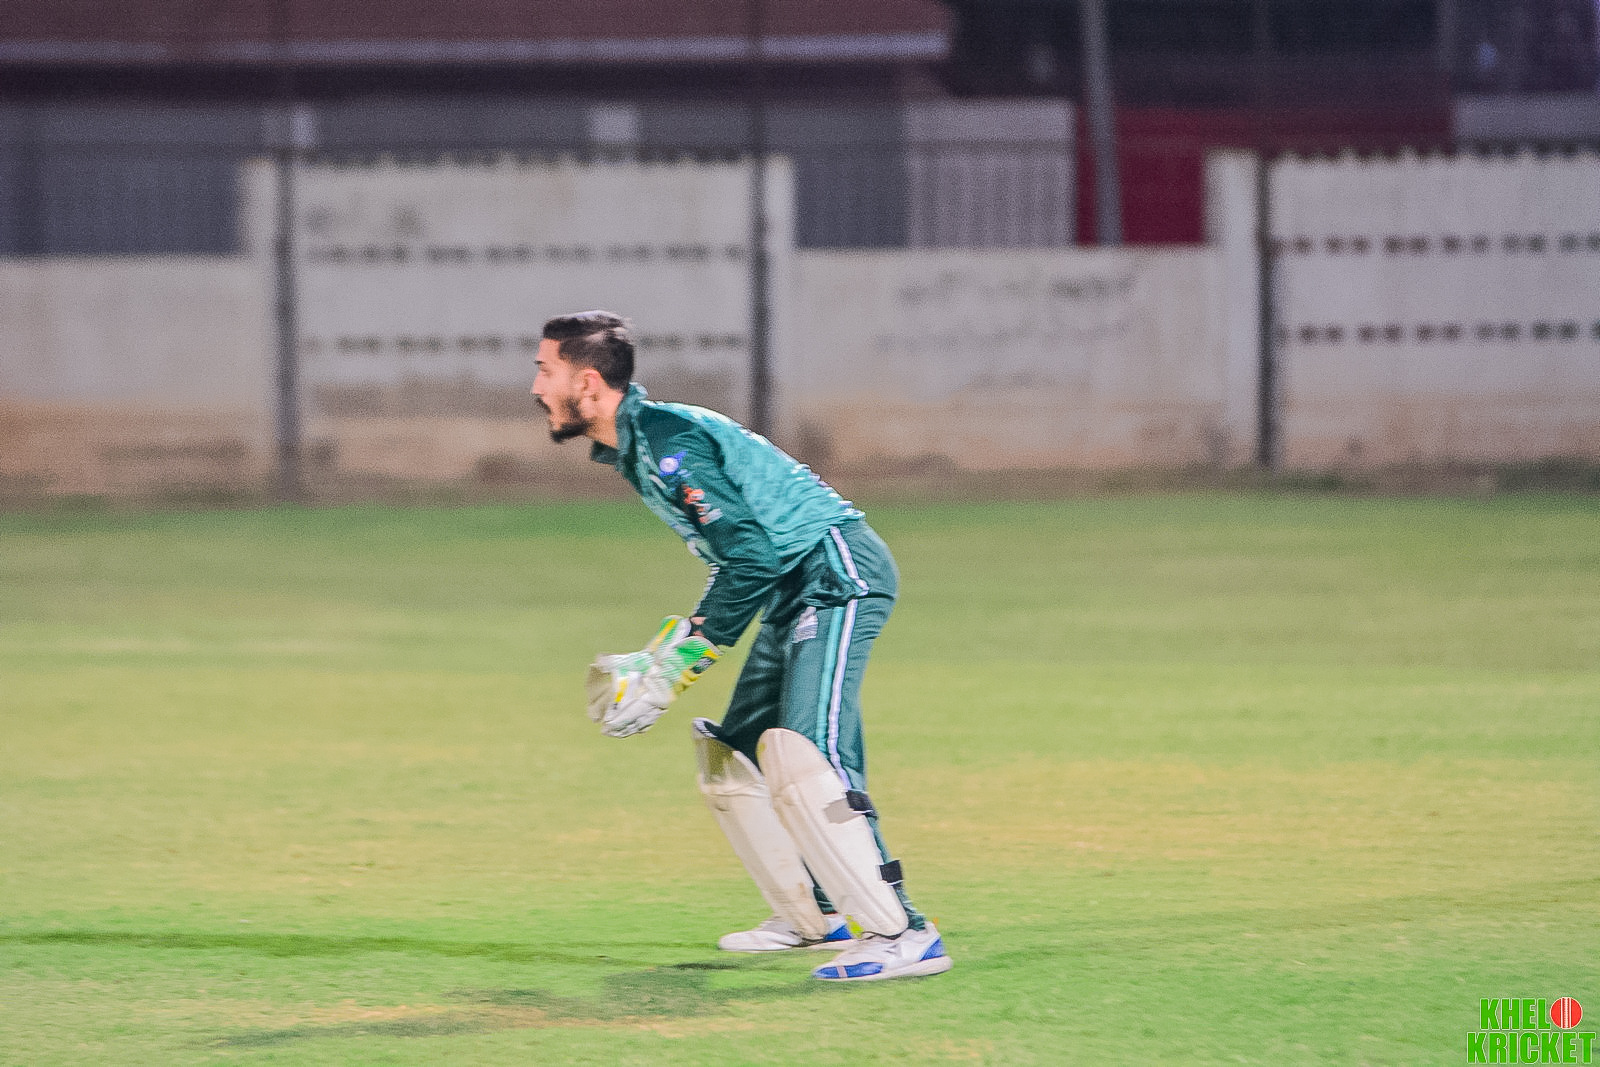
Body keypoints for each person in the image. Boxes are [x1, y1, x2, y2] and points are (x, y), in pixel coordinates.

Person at [530, 310, 951, 982]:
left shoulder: (667, 441)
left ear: (586, 383)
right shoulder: (639, 443)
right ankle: (816, 916)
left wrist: (679, 665)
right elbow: (741, 558)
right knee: (737, 753)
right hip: (792, 585)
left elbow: (751, 556)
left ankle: (904, 932)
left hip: (835, 574)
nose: (536, 387)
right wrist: (673, 650)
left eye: (545, 369)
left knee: (810, 751)